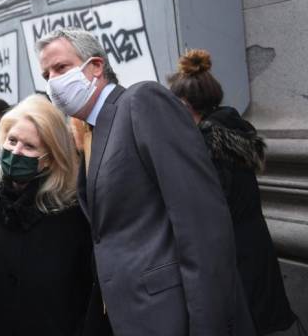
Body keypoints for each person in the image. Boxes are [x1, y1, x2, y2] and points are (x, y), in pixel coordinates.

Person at [37, 27, 255, 335]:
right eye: (46, 75)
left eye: (61, 68)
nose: (53, 82)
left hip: (175, 314)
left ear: (96, 66)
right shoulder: (92, 132)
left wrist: (209, 325)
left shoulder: (141, 101)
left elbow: (201, 222)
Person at [169, 49, 297, 335]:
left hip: (233, 256)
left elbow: (210, 208)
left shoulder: (205, 144)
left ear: (187, 104)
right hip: (254, 245)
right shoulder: (232, 129)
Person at [0, 95, 109, 335]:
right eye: (12, 140)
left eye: (29, 146)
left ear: (49, 158)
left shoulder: (73, 211)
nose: (16, 151)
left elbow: (86, 287)